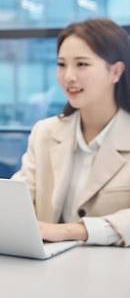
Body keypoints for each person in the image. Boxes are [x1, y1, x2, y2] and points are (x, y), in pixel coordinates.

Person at [13, 18, 130, 246]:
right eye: (61, 64)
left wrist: (73, 231)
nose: (69, 77)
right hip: (46, 270)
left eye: (82, 64)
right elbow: (19, 198)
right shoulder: (45, 132)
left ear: (116, 72)